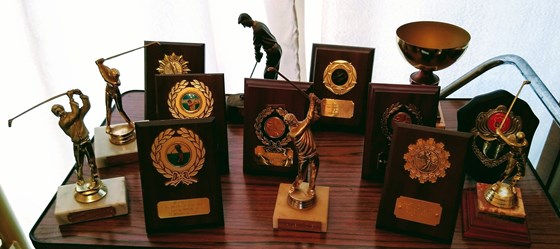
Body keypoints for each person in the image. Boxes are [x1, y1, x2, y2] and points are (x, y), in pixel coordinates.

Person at [51, 89, 101, 193]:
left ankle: (95, 179)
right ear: (56, 114)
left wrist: (82, 95)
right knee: (79, 164)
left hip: (86, 141)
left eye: (59, 109)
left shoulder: (76, 113)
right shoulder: (62, 122)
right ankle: (80, 179)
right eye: (56, 111)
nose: (59, 111)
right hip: (77, 144)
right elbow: (74, 115)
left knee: (92, 162)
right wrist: (71, 98)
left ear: (62, 107)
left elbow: (86, 107)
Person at [284, 93, 321, 198]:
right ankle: (294, 186)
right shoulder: (293, 132)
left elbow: (315, 117)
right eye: (291, 119)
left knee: (314, 173)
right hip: (303, 157)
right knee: (301, 177)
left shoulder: (302, 124)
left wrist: (318, 105)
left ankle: (312, 188)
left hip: (313, 153)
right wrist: (312, 101)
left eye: (293, 117)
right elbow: (309, 118)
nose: (293, 119)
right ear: (289, 122)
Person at [238, 13, 282, 80]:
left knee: (268, 75)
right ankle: (272, 89)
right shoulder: (259, 24)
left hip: (273, 52)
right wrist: (258, 54)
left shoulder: (257, 29)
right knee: (273, 74)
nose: (244, 26)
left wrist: (257, 55)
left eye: (243, 24)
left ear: (247, 19)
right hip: (276, 50)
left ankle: (269, 90)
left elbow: (257, 45)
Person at [96, 58, 133, 134]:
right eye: (115, 77)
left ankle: (129, 122)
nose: (117, 78)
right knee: (108, 109)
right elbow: (103, 73)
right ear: (111, 75)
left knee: (120, 109)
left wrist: (100, 64)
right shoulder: (107, 77)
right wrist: (99, 64)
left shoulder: (116, 80)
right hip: (108, 93)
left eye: (117, 77)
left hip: (116, 93)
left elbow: (118, 83)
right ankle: (108, 126)